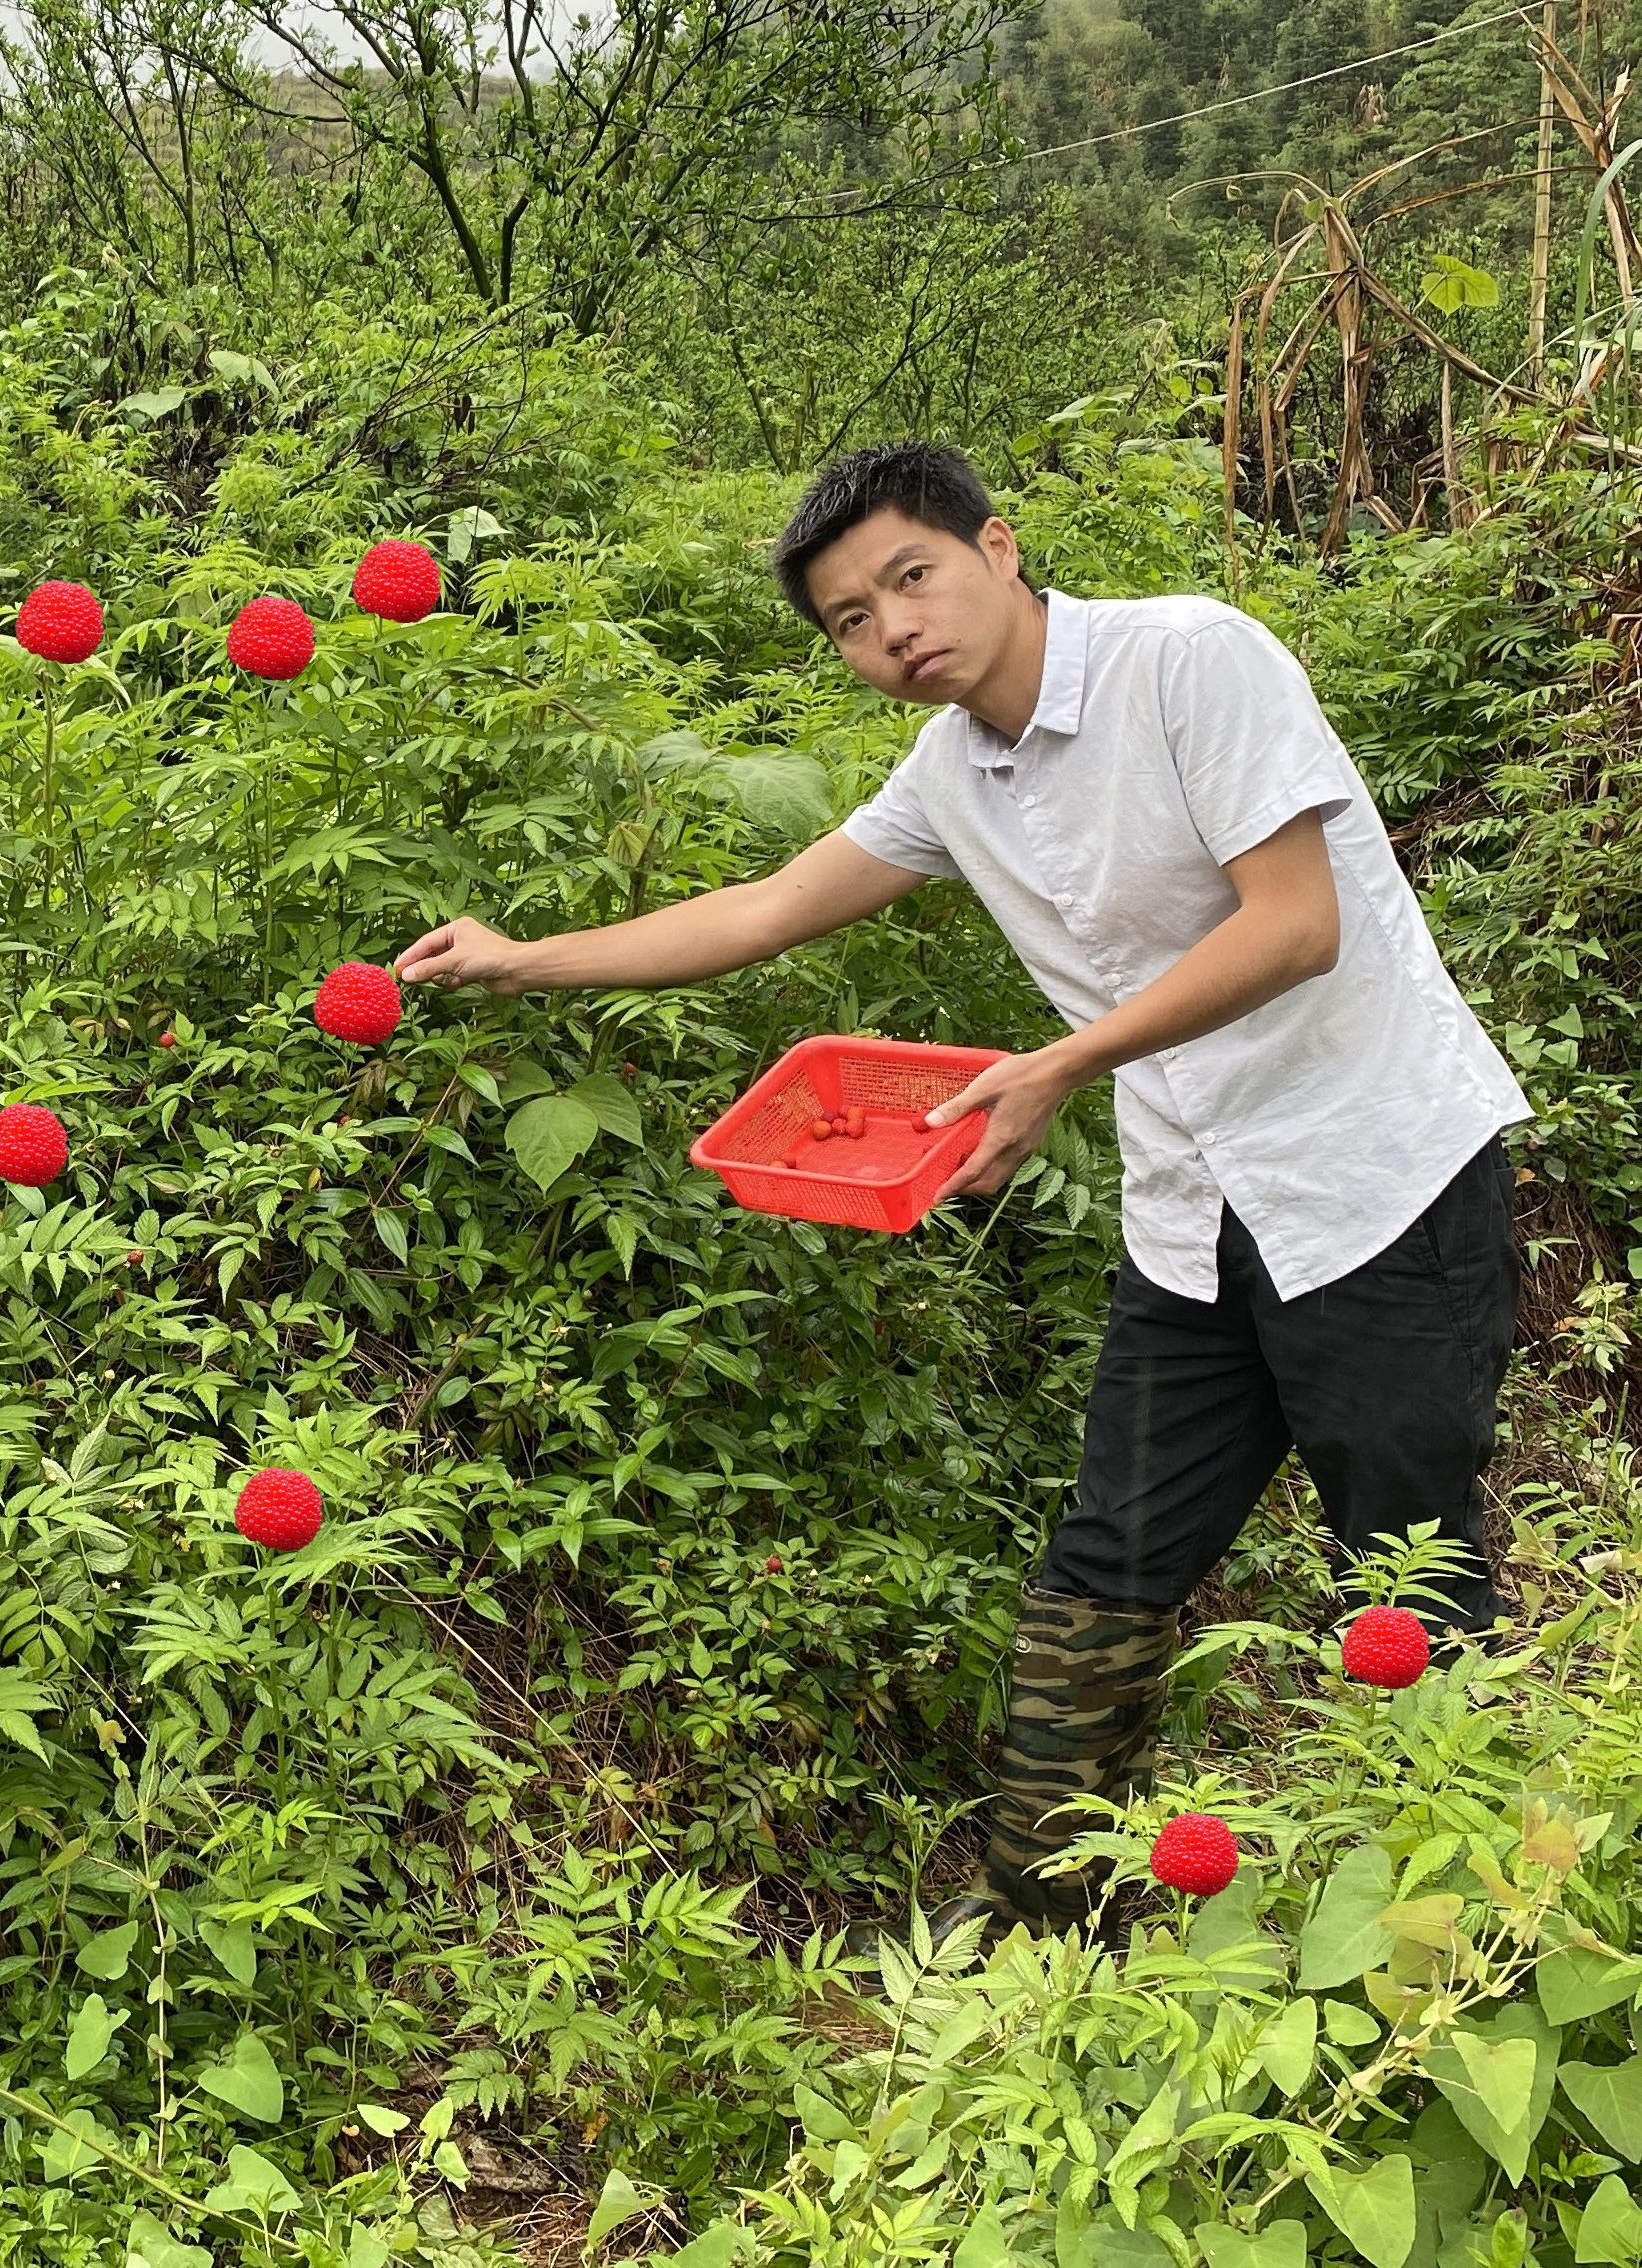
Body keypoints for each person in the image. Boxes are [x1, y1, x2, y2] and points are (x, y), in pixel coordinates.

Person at [393, 440, 1529, 1937]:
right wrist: (518, 957)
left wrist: (1065, 1064)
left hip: (1376, 1176)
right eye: (851, 622)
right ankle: (1043, 1919)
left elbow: (1298, 926)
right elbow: (767, 909)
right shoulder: (952, 774)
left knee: (1406, 1556)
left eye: (908, 578)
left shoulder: (1189, 659)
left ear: (996, 548)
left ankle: (1463, 1928)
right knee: (1104, 1568)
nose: (892, 630)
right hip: (1193, 1214)